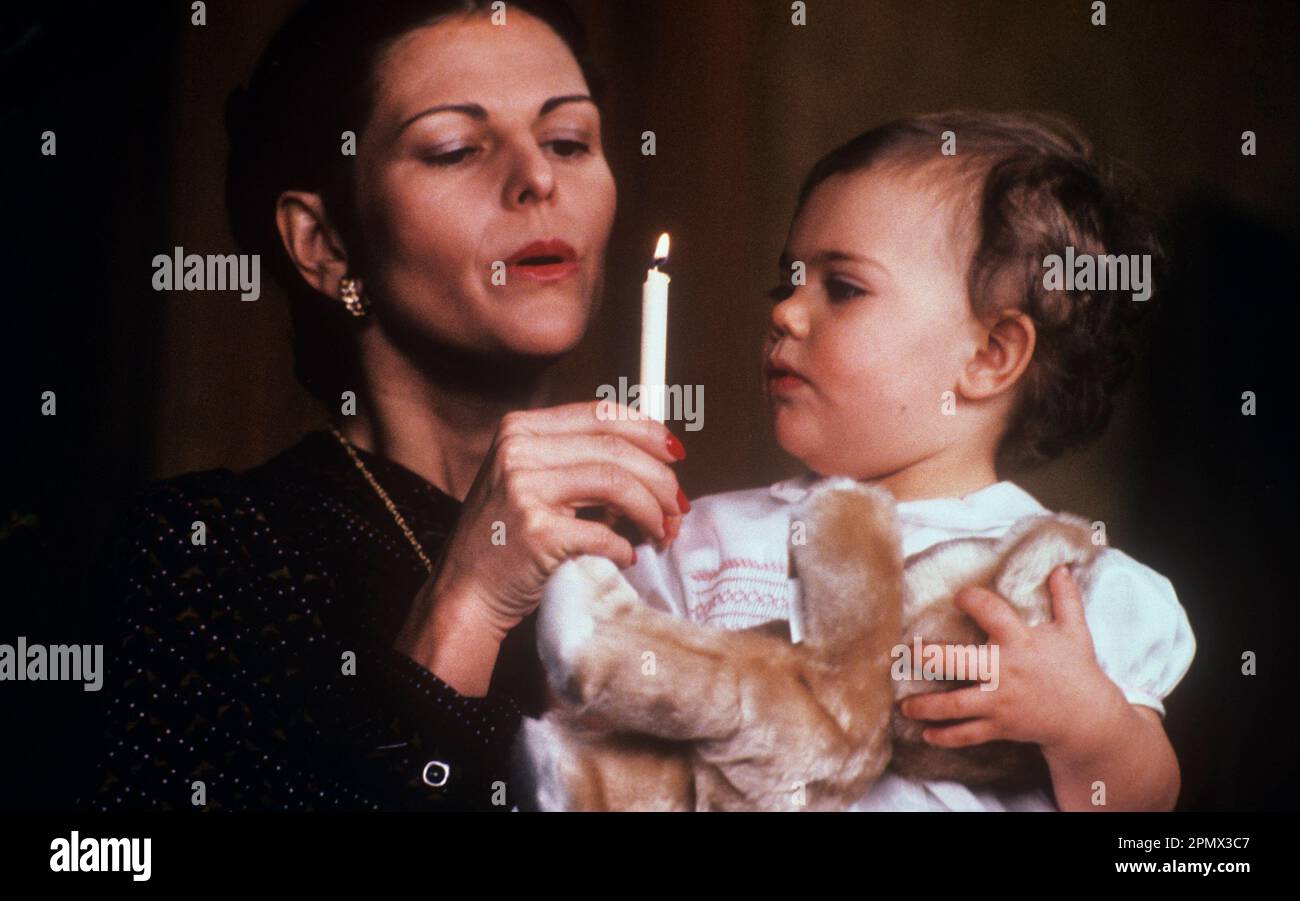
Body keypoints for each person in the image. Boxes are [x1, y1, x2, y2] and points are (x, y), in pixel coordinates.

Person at [83, 0, 689, 812]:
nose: (538, 178)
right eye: (455, 149)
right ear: (324, 244)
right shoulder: (202, 557)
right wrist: (464, 613)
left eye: (569, 140)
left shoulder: (678, 559)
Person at [620, 111, 1196, 811]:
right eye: (787, 284)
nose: (786, 314)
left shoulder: (1065, 585)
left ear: (989, 356)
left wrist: (1089, 725)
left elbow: (1144, 807)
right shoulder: (702, 544)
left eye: (843, 288)